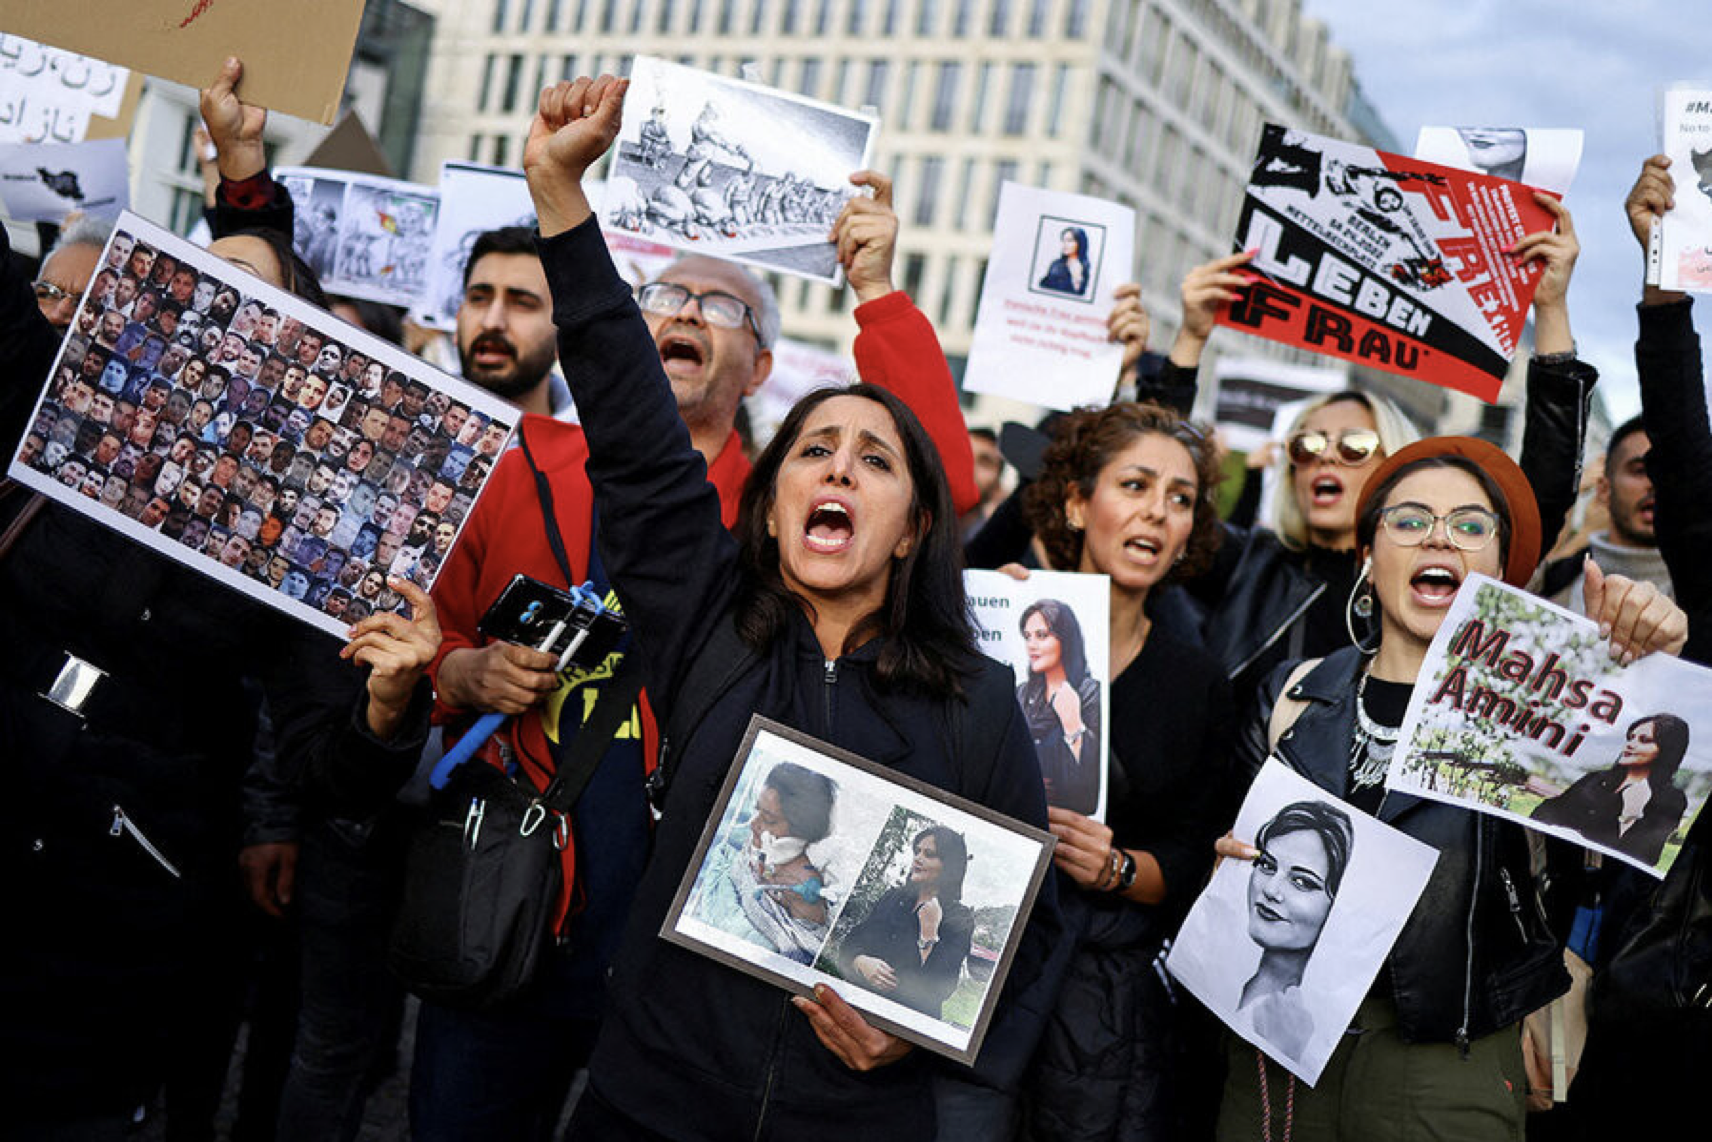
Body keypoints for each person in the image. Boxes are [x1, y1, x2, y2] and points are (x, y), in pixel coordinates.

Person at [418, 99, 977, 1142]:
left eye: (719, 304)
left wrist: (876, 294)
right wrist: (461, 673)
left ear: (761, 368)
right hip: (519, 893)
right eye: (663, 293)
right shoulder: (527, 463)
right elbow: (434, 636)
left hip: (688, 960)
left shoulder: (791, 528)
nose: (681, 309)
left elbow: (934, 482)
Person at [1214, 436, 1688, 1142]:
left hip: (1447, 1060)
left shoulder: (1546, 712)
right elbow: (1219, 858)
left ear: (1500, 572)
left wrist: (1647, 672)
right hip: (1272, 1046)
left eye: (1470, 526)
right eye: (1409, 521)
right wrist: (1226, 863)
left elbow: (1632, 834)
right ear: (1368, 559)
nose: (1439, 536)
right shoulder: (1291, 695)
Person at [1015, 400, 1235, 1141]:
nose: (1157, 513)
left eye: (1180, 500)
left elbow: (1194, 858)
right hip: (975, 971)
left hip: (1102, 1025)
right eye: (1135, 485)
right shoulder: (993, 628)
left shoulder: (1198, 683)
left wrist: (1113, 868)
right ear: (1077, 504)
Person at [1238, 800, 1355, 1061]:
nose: (1270, 889)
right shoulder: (1230, 984)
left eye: (1302, 882)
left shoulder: (1302, 1027)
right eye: (1267, 865)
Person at [690, 761, 838, 963]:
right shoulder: (758, 847)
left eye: (769, 820)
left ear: (801, 830)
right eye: (757, 810)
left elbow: (802, 955)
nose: (753, 823)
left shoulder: (805, 888)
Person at [839, 826, 977, 1018]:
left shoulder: (959, 919)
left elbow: (940, 989)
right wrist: (860, 961)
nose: (917, 858)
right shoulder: (893, 898)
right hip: (856, 1005)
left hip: (904, 1023)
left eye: (929, 854)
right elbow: (852, 942)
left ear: (949, 867)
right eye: (917, 851)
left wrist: (929, 933)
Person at [1541, 415, 1673, 614]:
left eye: (1673, 473)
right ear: (1603, 489)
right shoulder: (1547, 586)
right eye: (1640, 470)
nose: (1655, 484)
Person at [1533, 715, 1689, 864]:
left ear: (1666, 750)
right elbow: (1548, 810)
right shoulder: (1595, 779)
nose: (1630, 744)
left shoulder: (1671, 799)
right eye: (1631, 737)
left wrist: (1628, 816)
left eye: (1644, 740)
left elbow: (1645, 857)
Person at [1015, 598, 1102, 814]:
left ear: (1066, 639)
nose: (1031, 645)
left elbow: (1088, 793)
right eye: (1027, 637)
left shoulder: (1090, 693)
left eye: (1041, 635)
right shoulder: (1022, 693)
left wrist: (1073, 725)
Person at [1038, 227, 1091, 296]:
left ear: (1080, 243)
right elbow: (1043, 284)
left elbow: (1079, 293)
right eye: (1063, 240)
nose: (1065, 244)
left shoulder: (1084, 267)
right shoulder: (1056, 264)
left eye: (1069, 240)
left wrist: (1076, 278)